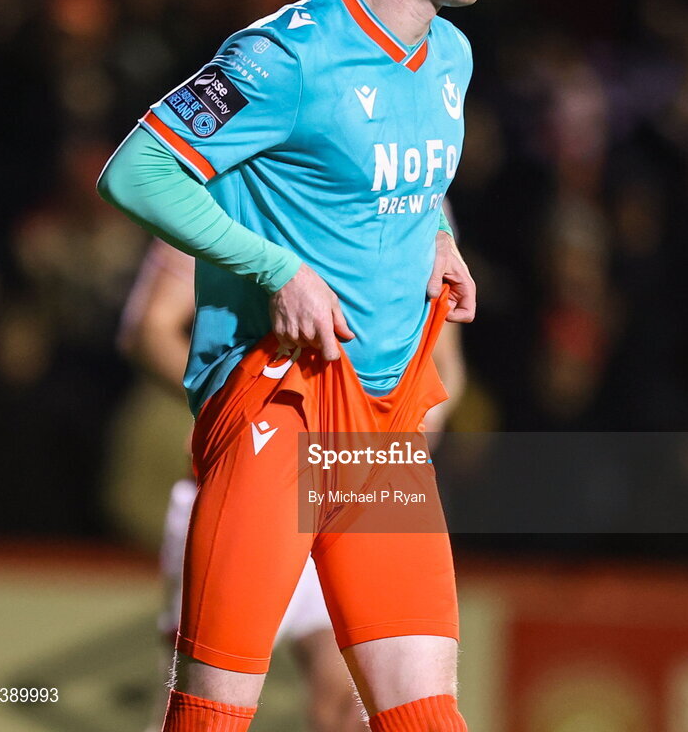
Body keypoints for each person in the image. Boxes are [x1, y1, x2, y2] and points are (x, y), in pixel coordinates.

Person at [98, 0, 502, 732]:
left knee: (424, 716)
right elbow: (136, 171)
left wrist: (433, 241)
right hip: (278, 406)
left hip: (384, 427)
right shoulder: (285, 55)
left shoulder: (451, 55)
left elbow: (405, 179)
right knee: (213, 716)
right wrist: (273, 265)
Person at [120, 237, 466, 732]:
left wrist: (400, 439)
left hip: (363, 473)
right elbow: (151, 324)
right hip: (261, 466)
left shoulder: (426, 192)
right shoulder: (249, 174)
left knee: (354, 708)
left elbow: (443, 356)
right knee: (202, 708)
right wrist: (236, 415)